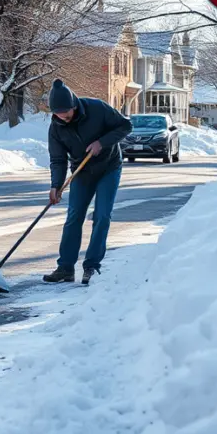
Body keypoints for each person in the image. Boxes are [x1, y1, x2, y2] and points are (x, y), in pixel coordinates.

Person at [43, 78, 133, 285]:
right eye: (58, 114)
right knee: (74, 215)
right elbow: (57, 159)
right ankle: (65, 267)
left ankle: (91, 265)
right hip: (81, 172)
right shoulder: (56, 127)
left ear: (74, 105)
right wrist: (55, 186)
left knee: (102, 215)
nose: (63, 118)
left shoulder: (97, 108)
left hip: (108, 167)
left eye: (66, 113)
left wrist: (101, 143)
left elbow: (125, 126)